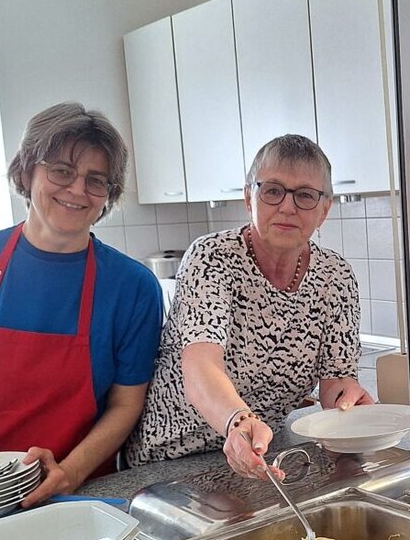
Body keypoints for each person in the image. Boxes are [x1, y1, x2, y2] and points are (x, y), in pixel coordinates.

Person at [0, 102, 163, 506]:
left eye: (96, 180)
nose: (77, 190)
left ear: (108, 196)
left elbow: (125, 403)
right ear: (27, 172)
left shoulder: (133, 287)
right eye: (62, 171)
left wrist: (70, 472)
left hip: (74, 495)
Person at [124, 135, 374, 477]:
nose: (287, 207)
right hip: (170, 458)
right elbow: (201, 364)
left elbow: (336, 379)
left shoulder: (337, 277)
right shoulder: (212, 257)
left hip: (260, 452)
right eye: (272, 191)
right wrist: (237, 421)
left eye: (305, 195)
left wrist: (349, 400)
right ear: (248, 198)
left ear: (324, 210)